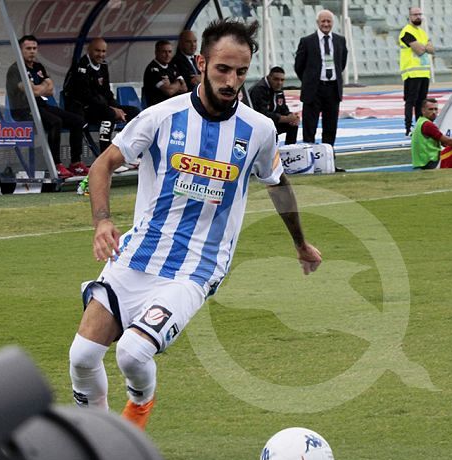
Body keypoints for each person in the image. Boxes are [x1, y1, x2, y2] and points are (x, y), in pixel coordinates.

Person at [68, 19, 322, 431]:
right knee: (81, 357)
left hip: (197, 267)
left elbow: (277, 184)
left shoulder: (258, 130)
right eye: (223, 68)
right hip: (137, 254)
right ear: (202, 63)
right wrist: (102, 222)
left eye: (241, 71)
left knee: (132, 353)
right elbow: (103, 165)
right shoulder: (160, 116)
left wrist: (300, 244)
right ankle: (99, 439)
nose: (232, 80)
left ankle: (136, 413)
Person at [6, 35, 89, 179]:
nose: (32, 51)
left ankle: (75, 163)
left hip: (41, 106)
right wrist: (42, 87)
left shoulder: (38, 66)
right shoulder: (15, 69)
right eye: (28, 49)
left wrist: (39, 88)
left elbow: (51, 90)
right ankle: (55, 164)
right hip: (23, 110)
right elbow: (33, 92)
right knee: (55, 122)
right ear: (20, 51)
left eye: (34, 48)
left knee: (77, 120)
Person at [63, 37, 140, 154]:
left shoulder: (103, 65)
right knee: (109, 114)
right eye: (97, 51)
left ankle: (130, 153)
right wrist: (111, 109)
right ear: (89, 50)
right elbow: (86, 96)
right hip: (84, 108)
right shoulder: (81, 67)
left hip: (100, 107)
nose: (101, 54)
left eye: (103, 51)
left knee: (134, 112)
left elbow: (106, 92)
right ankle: (106, 156)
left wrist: (117, 108)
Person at [294, 9, 348, 151]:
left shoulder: (340, 41)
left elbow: (341, 63)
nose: (326, 24)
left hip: (332, 88)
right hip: (314, 89)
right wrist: (309, 80)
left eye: (328, 21)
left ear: (333, 23)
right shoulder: (307, 41)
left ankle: (328, 155)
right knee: (309, 125)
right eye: (323, 21)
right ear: (317, 23)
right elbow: (299, 66)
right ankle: (309, 157)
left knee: (330, 125)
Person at [398, 7, 434, 136]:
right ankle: (408, 127)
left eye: (419, 14)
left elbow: (431, 49)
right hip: (412, 73)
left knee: (421, 102)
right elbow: (420, 50)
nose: (418, 17)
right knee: (410, 101)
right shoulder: (406, 32)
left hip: (424, 72)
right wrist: (424, 46)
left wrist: (423, 46)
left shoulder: (422, 32)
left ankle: (419, 126)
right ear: (410, 16)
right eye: (415, 14)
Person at [410, 97, 452, 169]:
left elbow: (443, 142)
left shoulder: (420, 121)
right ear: (423, 110)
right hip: (430, 162)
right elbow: (448, 141)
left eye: (436, 109)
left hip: (422, 162)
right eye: (430, 109)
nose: (434, 112)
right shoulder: (428, 124)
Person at [248, 66, 299, 144]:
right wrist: (285, 118)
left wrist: (291, 116)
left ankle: (290, 150)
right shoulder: (259, 89)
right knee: (272, 125)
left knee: (293, 124)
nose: (279, 83)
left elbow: (283, 109)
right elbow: (262, 114)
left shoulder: (278, 89)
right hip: (258, 124)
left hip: (271, 121)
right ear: (269, 78)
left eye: (282, 80)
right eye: (276, 79)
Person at [142, 40, 187, 107]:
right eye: (164, 52)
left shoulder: (172, 66)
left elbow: (184, 88)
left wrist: (172, 85)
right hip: (158, 107)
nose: (167, 55)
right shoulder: (153, 69)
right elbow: (169, 91)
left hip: (173, 105)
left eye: (169, 52)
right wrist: (178, 83)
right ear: (156, 52)